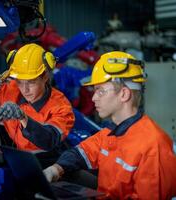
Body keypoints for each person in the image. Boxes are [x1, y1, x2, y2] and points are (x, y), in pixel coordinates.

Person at [43, 51, 176, 199]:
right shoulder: (110, 132)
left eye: (100, 91)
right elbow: (80, 153)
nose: (93, 98)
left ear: (124, 94)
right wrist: (55, 169)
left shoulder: (154, 146)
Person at [0, 43, 75, 153]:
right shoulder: (10, 89)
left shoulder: (61, 107)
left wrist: (22, 117)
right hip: (21, 158)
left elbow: (49, 140)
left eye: (31, 82)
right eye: (20, 82)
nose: (25, 90)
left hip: (51, 162)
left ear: (45, 76)